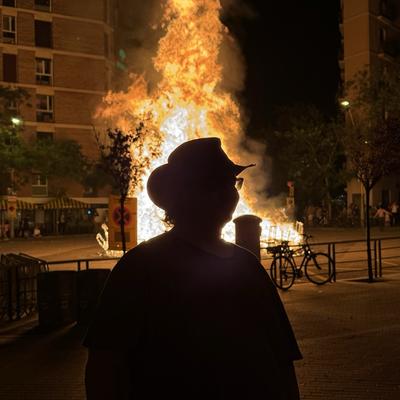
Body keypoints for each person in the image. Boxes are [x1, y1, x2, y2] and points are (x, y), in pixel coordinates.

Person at [84, 138, 302, 400]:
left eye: (232, 183)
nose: (230, 193)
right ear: (188, 195)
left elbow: (281, 356)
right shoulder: (140, 267)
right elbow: (105, 364)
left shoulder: (248, 266)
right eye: (217, 184)